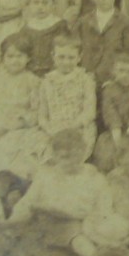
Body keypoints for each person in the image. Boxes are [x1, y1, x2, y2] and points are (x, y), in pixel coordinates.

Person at [9, 129, 129, 256]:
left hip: (82, 222)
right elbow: (29, 200)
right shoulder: (46, 175)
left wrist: (89, 218)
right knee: (60, 226)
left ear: (83, 153)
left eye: (75, 157)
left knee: (78, 231)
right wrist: (16, 217)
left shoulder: (93, 177)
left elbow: (103, 207)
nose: (70, 162)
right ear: (55, 156)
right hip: (48, 221)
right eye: (64, 157)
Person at [0, 34, 44, 179]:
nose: (15, 60)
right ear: (3, 58)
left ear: (28, 58)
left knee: (22, 153)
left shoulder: (33, 81)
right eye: (10, 56)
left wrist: (16, 124)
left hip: (21, 130)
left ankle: (16, 186)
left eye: (20, 56)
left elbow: (37, 112)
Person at [37, 34, 97, 162]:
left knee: (71, 157)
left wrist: (73, 126)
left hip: (78, 129)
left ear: (79, 57)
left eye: (71, 58)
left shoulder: (86, 80)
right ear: (53, 56)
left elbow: (90, 112)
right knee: (46, 156)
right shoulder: (47, 81)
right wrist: (50, 129)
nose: (66, 62)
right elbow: (42, 114)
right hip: (53, 129)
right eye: (61, 57)